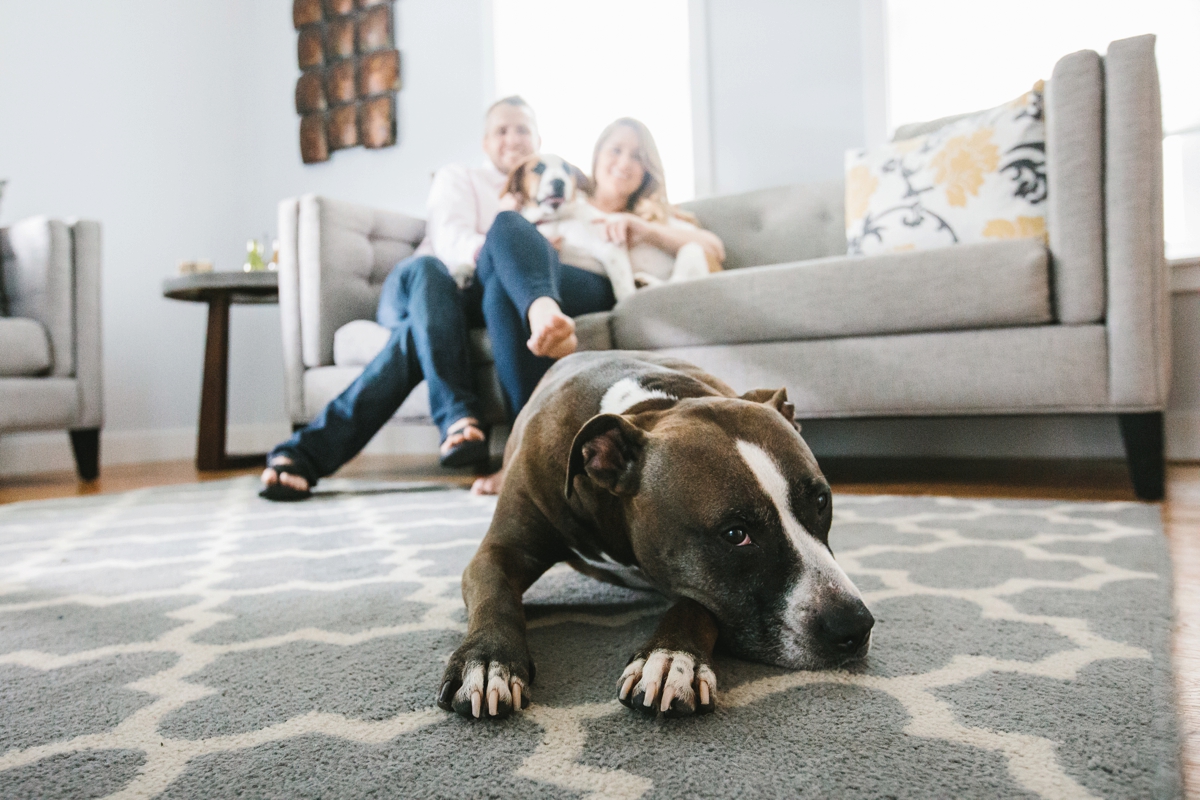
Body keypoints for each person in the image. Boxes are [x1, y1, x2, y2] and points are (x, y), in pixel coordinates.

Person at [260, 96, 544, 500]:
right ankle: (457, 412)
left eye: (522, 129)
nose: (513, 138)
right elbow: (449, 239)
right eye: (502, 130)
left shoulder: (547, 190)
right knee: (432, 273)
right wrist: (502, 248)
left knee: (418, 336)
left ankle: (304, 454)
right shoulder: (458, 177)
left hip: (455, 311)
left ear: (537, 139)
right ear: (485, 142)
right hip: (418, 284)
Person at [466, 117, 726, 495]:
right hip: (550, 281)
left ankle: (521, 457)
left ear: (648, 169)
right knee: (503, 257)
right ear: (594, 159)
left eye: (637, 156)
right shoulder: (566, 198)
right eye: (615, 150)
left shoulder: (653, 216)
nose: (624, 161)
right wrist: (536, 249)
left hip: (593, 287)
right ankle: (533, 453)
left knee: (503, 282)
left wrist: (641, 228)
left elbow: (712, 249)